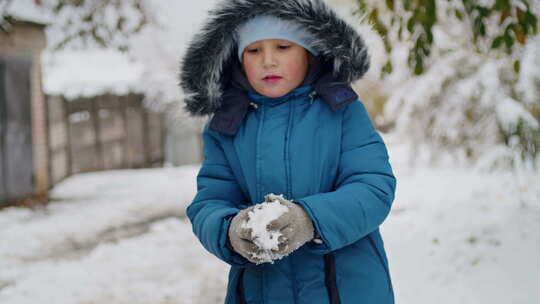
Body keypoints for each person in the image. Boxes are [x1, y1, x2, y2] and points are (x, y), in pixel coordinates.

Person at [180, 0, 397, 303]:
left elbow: (374, 187)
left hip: (347, 289)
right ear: (237, 59)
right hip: (261, 291)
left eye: (283, 47)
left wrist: (310, 219)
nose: (268, 61)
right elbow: (210, 201)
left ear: (309, 52)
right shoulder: (226, 125)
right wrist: (230, 231)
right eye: (253, 50)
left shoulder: (342, 111)